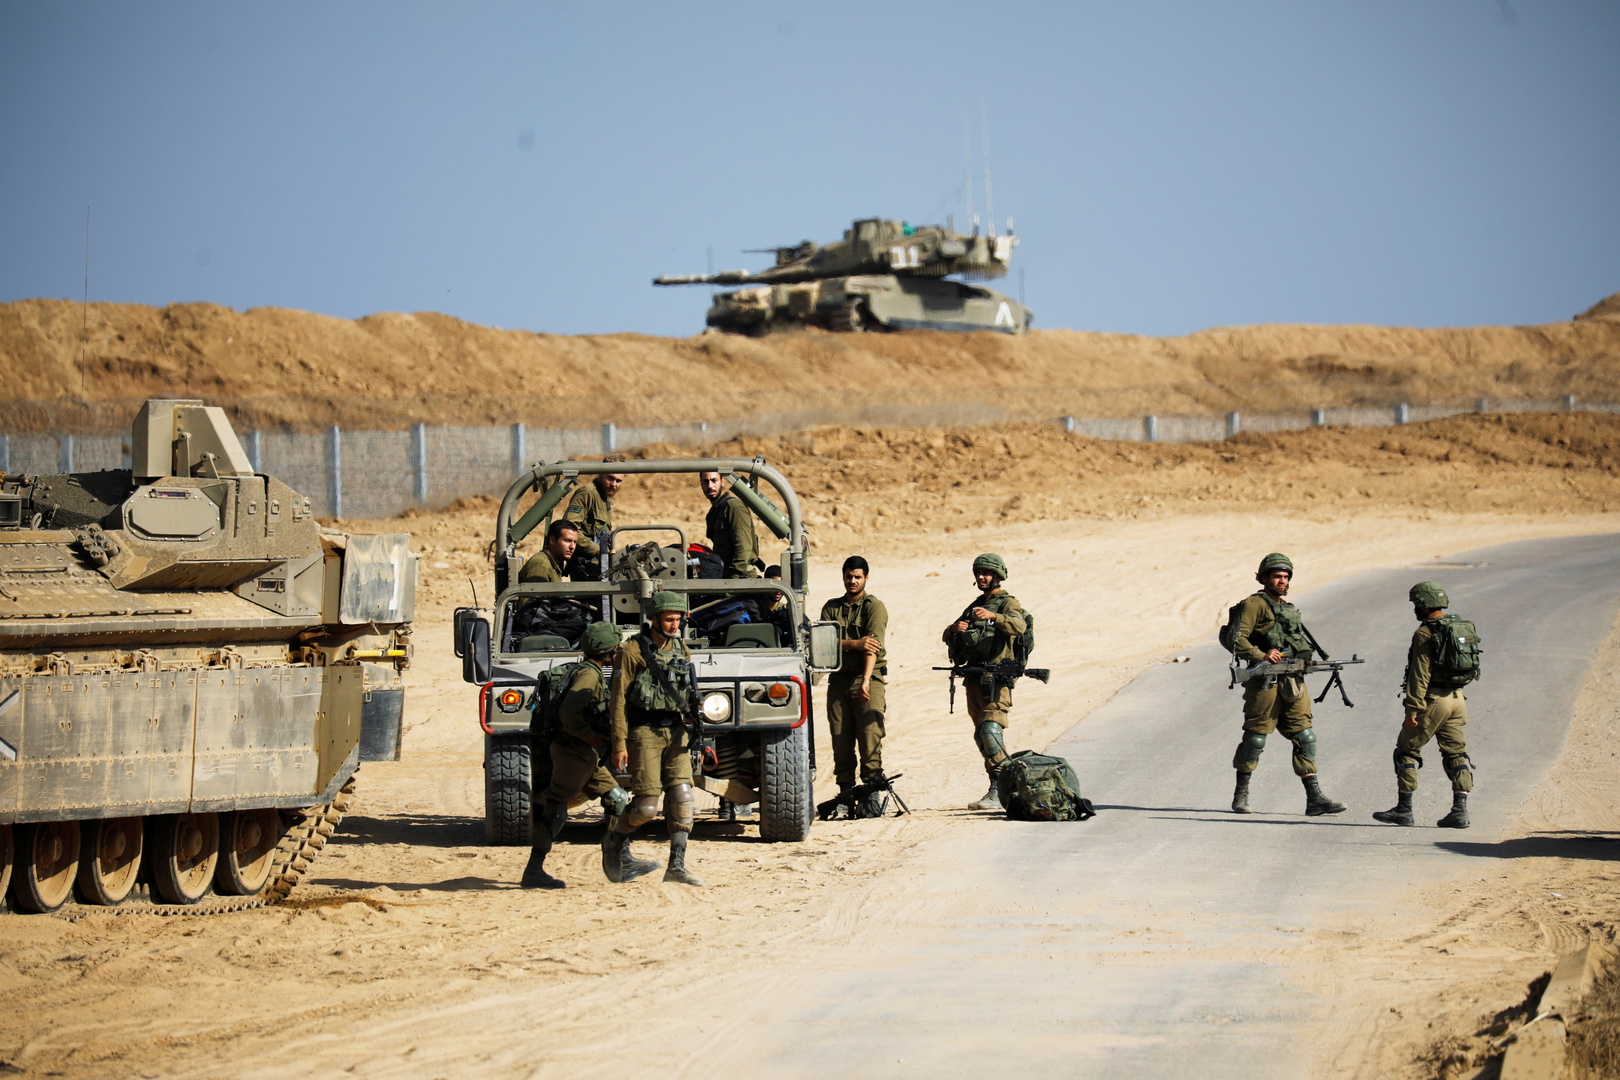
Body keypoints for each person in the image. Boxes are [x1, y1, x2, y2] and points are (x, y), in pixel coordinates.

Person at [520, 621, 643, 889]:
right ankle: (533, 869)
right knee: (556, 810)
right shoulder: (588, 675)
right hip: (572, 752)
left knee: (618, 798)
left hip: (582, 754)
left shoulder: (590, 671)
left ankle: (618, 860)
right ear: (609, 650)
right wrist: (592, 736)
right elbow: (569, 714)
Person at [1227, 553, 1347, 817]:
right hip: (1265, 683)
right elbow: (1236, 640)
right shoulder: (1254, 605)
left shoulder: (1287, 607)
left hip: (1293, 681)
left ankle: (1315, 798)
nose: (1282, 581)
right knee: (1256, 738)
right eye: (1277, 576)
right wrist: (1261, 656)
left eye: (1285, 577)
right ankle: (1241, 795)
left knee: (1305, 736)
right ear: (1264, 578)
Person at [604, 590, 704, 886]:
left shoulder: (681, 649)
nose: (674, 625)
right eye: (669, 620)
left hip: (675, 731)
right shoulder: (632, 650)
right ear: (655, 619)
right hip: (643, 732)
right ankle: (615, 840)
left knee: (683, 797)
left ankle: (677, 866)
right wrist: (619, 743)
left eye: (678, 619)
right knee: (646, 807)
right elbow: (618, 700)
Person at [1373, 582, 1475, 829]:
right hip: (1457, 699)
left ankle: (1404, 810)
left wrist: (1412, 710)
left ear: (1424, 604)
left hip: (1432, 701)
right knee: (1456, 753)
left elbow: (1419, 675)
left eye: (1416, 604)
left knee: (1406, 750)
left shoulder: (1425, 633)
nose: (1415, 609)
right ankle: (1459, 810)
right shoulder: (1458, 625)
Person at [942, 553, 1025, 811]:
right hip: (974, 678)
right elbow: (949, 633)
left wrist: (993, 616)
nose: (981, 577)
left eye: (986, 573)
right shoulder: (974, 605)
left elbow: (1019, 626)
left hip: (997, 679)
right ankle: (997, 787)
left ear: (998, 576)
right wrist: (953, 630)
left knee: (991, 730)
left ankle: (1006, 787)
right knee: (981, 734)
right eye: (978, 573)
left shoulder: (1007, 603)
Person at [820, 556, 889, 817]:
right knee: (841, 738)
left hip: (866, 677)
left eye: (858, 576)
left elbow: (872, 646)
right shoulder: (831, 608)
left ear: (866, 578)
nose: (852, 581)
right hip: (838, 680)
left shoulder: (874, 607)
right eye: (849, 576)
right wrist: (854, 644)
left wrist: (868, 681)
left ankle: (871, 791)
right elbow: (824, 642)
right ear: (843, 576)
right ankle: (845, 792)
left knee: (870, 735)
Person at [563, 464, 625, 579]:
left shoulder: (604, 497)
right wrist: (595, 549)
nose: (613, 484)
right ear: (600, 474)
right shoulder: (588, 493)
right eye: (610, 478)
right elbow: (569, 528)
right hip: (585, 566)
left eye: (618, 480)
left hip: (599, 565)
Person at [699, 470, 760, 579]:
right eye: (705, 481)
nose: (710, 485)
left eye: (714, 480)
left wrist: (733, 575)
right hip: (725, 572)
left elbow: (743, 546)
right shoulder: (716, 510)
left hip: (740, 577)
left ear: (722, 481)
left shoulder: (733, 506)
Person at [518, 519, 578, 583]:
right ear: (552, 540)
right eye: (567, 541)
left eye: (574, 542)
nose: (572, 547)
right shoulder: (541, 567)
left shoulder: (554, 563)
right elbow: (534, 592)